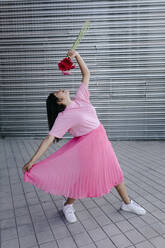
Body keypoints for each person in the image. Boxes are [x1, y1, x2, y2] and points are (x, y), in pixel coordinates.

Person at [22, 49, 146, 224]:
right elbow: (49, 139)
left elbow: (86, 74)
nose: (61, 90)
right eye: (58, 92)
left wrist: (77, 55)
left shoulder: (81, 98)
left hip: (102, 142)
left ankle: (127, 203)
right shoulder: (63, 117)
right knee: (83, 177)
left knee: (115, 172)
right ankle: (68, 205)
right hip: (87, 148)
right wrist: (33, 160)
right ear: (58, 102)